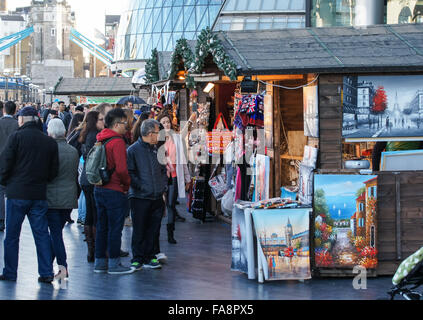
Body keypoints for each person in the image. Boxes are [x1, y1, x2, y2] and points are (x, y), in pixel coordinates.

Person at [0, 106, 58, 283]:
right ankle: (46, 271)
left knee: (11, 235)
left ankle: (10, 272)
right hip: (38, 193)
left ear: (22, 120)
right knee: (41, 234)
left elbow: (5, 163)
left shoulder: (16, 137)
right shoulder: (49, 142)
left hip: (16, 193)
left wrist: (6, 182)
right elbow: (53, 171)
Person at [93, 108, 133, 275]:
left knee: (102, 226)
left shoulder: (101, 138)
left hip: (99, 188)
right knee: (115, 228)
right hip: (114, 189)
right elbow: (122, 169)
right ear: (116, 124)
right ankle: (115, 264)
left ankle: (100, 263)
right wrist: (126, 186)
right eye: (124, 123)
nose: (127, 127)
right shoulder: (117, 142)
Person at [127, 119, 168, 270]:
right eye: (158, 132)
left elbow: (163, 170)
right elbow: (130, 173)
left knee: (154, 229)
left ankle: (150, 256)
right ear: (150, 134)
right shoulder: (132, 150)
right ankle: (137, 258)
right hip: (139, 197)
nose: (159, 135)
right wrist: (142, 187)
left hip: (157, 196)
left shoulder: (157, 149)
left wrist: (163, 186)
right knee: (139, 228)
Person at [46, 119, 79, 278]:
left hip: (52, 197)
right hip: (69, 198)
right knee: (56, 232)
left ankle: (63, 267)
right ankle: (48, 264)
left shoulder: (49, 150)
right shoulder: (73, 151)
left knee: (56, 234)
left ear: (50, 132)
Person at [157, 113, 191, 244]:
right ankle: (156, 233)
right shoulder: (156, 139)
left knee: (170, 204)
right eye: (163, 122)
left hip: (174, 176)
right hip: (160, 178)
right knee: (159, 206)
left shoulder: (176, 139)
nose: (166, 124)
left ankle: (170, 233)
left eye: (168, 122)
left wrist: (187, 178)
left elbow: (182, 160)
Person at [78, 111, 104, 262]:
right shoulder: (95, 135)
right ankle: (95, 248)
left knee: (89, 213)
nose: (103, 121)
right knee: (95, 213)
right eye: (100, 119)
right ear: (95, 121)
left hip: (85, 178)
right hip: (93, 178)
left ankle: (90, 249)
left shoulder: (85, 134)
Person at [0, 101, 19, 232]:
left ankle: (1, 219)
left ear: (4, 110)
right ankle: (12, 220)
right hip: (14, 162)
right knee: (13, 191)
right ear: (15, 111)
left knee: (0, 191)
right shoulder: (18, 125)